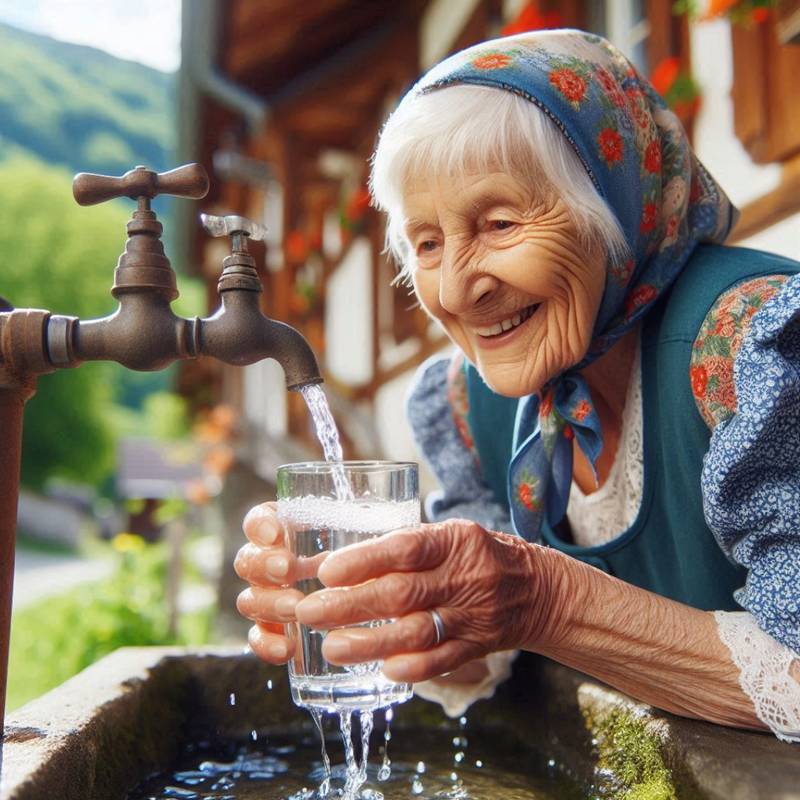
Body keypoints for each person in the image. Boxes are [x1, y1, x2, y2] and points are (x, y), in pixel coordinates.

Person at [234, 29, 800, 742]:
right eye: (428, 243)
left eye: (500, 224)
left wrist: (546, 601)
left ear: (615, 205)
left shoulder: (752, 350)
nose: (458, 288)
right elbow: (488, 659)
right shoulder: (470, 406)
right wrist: (402, 618)